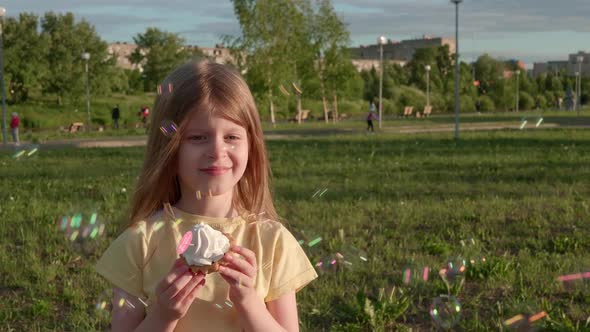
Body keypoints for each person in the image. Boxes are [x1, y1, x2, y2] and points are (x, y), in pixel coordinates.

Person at [95, 60, 317, 332]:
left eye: (232, 137)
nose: (217, 151)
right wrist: (164, 315)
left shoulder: (272, 241)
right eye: (198, 138)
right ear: (169, 149)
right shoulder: (140, 242)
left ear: (252, 145)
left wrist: (250, 304)